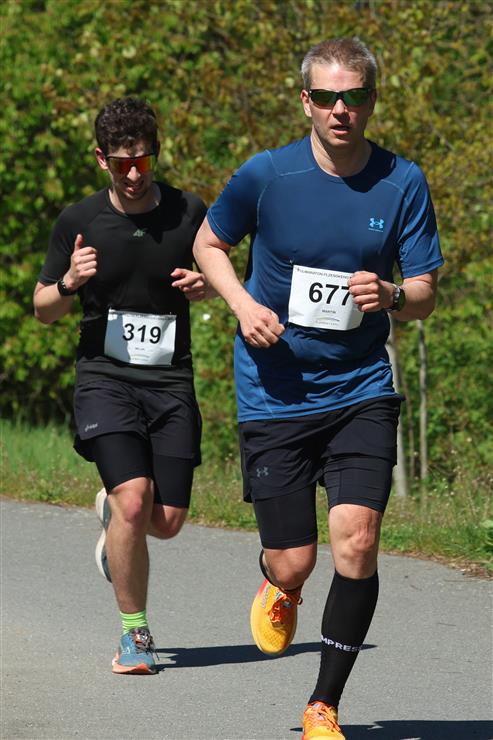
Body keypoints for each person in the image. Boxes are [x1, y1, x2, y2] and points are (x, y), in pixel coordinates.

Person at [193, 37, 443, 739]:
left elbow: (424, 290)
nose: (341, 110)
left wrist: (393, 294)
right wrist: (243, 306)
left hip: (361, 386)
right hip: (274, 391)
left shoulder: (402, 181)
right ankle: (280, 582)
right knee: (294, 558)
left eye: (354, 96)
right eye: (327, 97)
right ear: (305, 100)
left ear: (371, 101)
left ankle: (323, 705)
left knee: (357, 541)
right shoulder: (266, 175)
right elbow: (208, 244)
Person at [34, 97, 211, 675]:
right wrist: (68, 281)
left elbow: (222, 274)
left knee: (167, 521)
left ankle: (115, 526)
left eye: (143, 161)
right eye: (121, 164)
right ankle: (135, 635)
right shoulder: (79, 221)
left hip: (170, 381)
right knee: (135, 497)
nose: (133, 174)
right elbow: (42, 308)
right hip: (105, 379)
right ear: (100, 159)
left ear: (156, 154)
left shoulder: (189, 212)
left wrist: (206, 284)